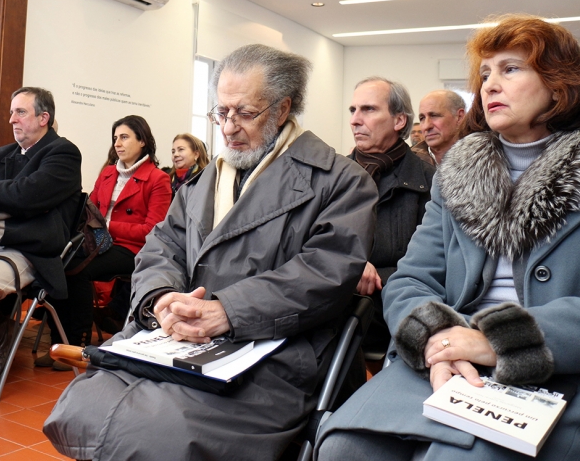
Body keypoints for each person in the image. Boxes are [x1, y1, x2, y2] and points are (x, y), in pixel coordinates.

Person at [44, 43, 377, 460]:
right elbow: (161, 246)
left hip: (271, 351)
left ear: (282, 108)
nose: (228, 127)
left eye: (244, 112)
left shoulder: (340, 181)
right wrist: (160, 299)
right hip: (176, 338)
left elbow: (325, 273)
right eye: (221, 112)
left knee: (158, 434)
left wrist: (228, 311)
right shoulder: (205, 182)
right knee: (81, 409)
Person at [318, 14, 580, 461]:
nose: (490, 85)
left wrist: (496, 341)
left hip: (552, 365)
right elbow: (410, 279)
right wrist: (439, 341)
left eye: (510, 69)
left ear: (558, 84)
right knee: (345, 449)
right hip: (446, 351)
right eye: (485, 74)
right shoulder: (456, 173)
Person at [0, 86, 82, 392]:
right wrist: (4, 196)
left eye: (20, 112)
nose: (12, 119)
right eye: (11, 112)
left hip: (26, 250)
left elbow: (29, 196)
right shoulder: (2, 155)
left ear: (43, 118)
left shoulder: (63, 153)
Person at [38, 116, 171, 369]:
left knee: (77, 270)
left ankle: (77, 345)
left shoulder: (157, 179)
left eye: (124, 137)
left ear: (142, 140)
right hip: (98, 242)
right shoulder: (109, 173)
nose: (117, 144)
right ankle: (59, 343)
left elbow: (153, 230)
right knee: (57, 263)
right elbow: (91, 212)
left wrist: (107, 226)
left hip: (133, 249)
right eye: (115, 138)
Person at [349, 77, 435, 356]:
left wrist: (378, 277)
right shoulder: (329, 177)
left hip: (389, 312)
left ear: (399, 121)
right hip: (332, 302)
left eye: (368, 110)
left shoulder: (430, 182)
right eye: (353, 110)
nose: (355, 120)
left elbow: (435, 266)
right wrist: (349, 264)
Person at [412, 89, 467, 165]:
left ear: (459, 117)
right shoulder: (408, 163)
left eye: (434, 116)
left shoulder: (482, 160)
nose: (426, 126)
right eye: (422, 118)